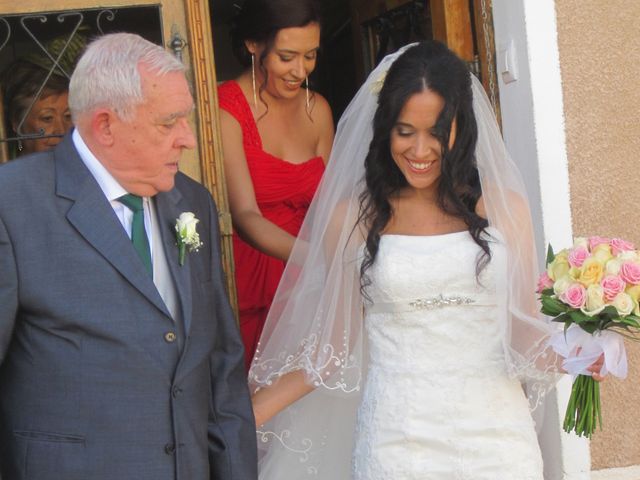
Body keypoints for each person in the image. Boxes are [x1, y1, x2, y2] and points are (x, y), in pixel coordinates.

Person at [246, 41, 604, 479]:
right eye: (404, 131)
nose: (419, 150)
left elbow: (523, 335)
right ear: (385, 130)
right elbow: (331, 349)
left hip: (499, 442)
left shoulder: (505, 208)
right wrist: (245, 414)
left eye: (436, 131)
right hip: (397, 442)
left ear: (462, 127)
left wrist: (582, 350)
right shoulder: (354, 219)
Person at [0, 33, 257, 480]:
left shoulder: (192, 202)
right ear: (105, 125)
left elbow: (220, 369)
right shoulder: (13, 204)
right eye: (169, 122)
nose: (189, 140)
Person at [217, 0, 334, 369]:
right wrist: (312, 259)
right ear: (254, 45)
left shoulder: (318, 109)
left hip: (313, 276)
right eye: (287, 57)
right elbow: (245, 214)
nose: (300, 70)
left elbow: (332, 201)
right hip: (257, 274)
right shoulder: (226, 109)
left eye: (310, 56)